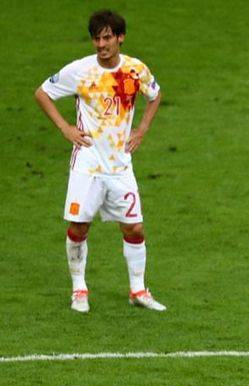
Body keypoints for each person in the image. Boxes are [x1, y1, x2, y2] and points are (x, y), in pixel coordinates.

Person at [34, 10, 166, 313]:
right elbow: (42, 93)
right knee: (78, 227)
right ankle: (79, 289)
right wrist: (65, 128)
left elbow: (155, 95)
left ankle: (138, 291)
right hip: (88, 164)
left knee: (134, 229)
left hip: (120, 165)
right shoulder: (80, 71)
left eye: (107, 37)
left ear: (120, 37)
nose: (101, 44)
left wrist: (142, 129)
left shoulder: (135, 70)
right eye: (97, 38)